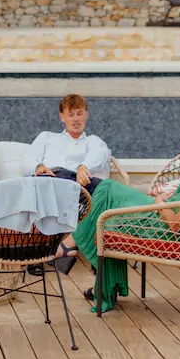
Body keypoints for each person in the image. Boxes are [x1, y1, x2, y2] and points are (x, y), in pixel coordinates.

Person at [72, 124, 180, 313]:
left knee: (103, 202)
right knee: (106, 191)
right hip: (160, 214)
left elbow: (175, 225)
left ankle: (100, 281)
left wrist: (159, 202)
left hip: (160, 224)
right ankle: (102, 282)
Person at [23, 93, 111, 273]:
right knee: (43, 185)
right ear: (62, 117)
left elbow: (100, 156)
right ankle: (52, 250)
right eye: (71, 114)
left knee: (105, 192)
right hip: (52, 180)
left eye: (79, 113)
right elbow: (27, 161)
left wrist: (83, 167)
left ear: (86, 114)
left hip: (82, 186)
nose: (76, 119)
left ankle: (63, 247)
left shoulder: (93, 141)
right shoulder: (47, 138)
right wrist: (38, 166)